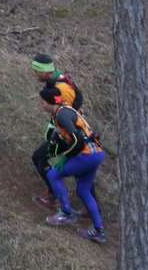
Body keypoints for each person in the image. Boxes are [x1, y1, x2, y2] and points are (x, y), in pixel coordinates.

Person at [38, 83, 109, 245]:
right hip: (97, 153)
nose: (41, 105)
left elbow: (77, 139)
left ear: (50, 102)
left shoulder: (62, 115)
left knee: (53, 174)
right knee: (83, 189)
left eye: (42, 102)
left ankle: (65, 213)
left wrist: (65, 157)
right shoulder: (63, 110)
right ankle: (99, 230)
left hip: (87, 154)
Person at [29, 56, 82, 207]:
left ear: (45, 72)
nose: (34, 75)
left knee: (39, 158)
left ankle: (54, 195)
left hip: (71, 134)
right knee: (80, 172)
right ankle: (89, 207)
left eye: (36, 71)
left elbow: (66, 111)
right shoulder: (57, 80)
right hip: (68, 130)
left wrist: (58, 132)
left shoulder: (61, 89)